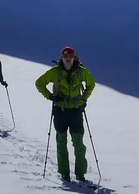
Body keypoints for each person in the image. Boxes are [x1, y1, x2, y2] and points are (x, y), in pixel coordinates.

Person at [35, 46, 96, 182]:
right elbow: (39, 83)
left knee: (78, 143)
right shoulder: (55, 72)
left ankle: (80, 173)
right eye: (65, 57)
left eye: (70, 57)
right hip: (60, 110)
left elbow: (91, 83)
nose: (68, 59)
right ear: (62, 58)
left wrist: (84, 98)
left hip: (75, 110)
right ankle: (64, 172)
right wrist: (51, 97)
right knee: (61, 142)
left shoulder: (81, 72)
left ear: (74, 58)